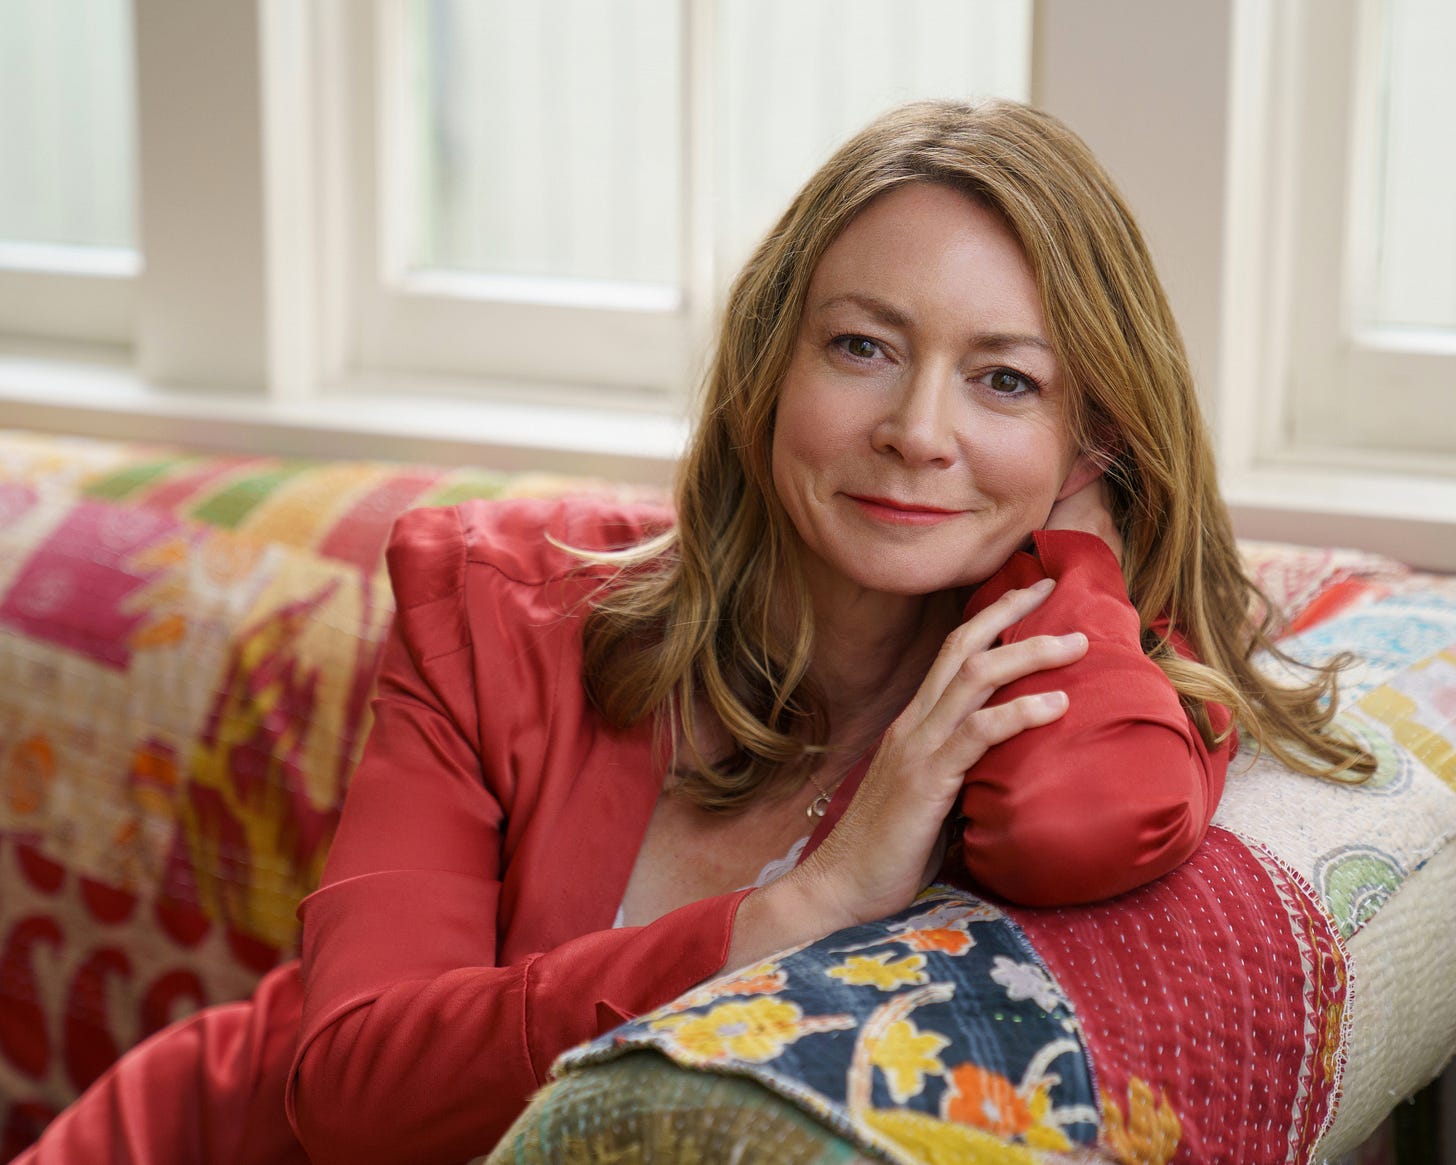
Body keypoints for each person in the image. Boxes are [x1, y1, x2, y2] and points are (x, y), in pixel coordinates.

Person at [16, 98, 1370, 1165]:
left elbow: (1085, 823)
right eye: (862, 347)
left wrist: (1079, 542)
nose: (918, 430)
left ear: (1099, 436)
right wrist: (799, 911)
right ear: (770, 366)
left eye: (1006, 380)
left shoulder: (1102, 675)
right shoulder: (493, 608)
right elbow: (352, 1089)